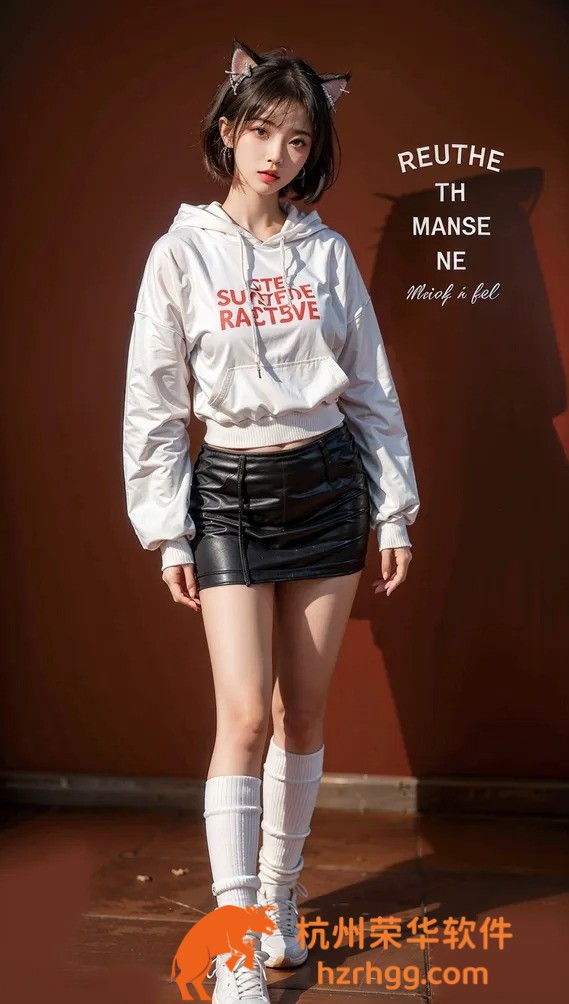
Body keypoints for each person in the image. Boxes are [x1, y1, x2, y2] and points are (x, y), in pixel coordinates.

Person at [122, 37, 420, 1004]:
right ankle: (237, 937)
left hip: (328, 483)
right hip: (229, 494)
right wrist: (167, 528)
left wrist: (393, 512)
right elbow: (153, 403)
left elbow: (370, 387)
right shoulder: (180, 253)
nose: (278, 154)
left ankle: (282, 891)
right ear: (226, 131)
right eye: (261, 131)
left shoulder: (325, 253)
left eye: (298, 139)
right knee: (245, 715)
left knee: (303, 714)